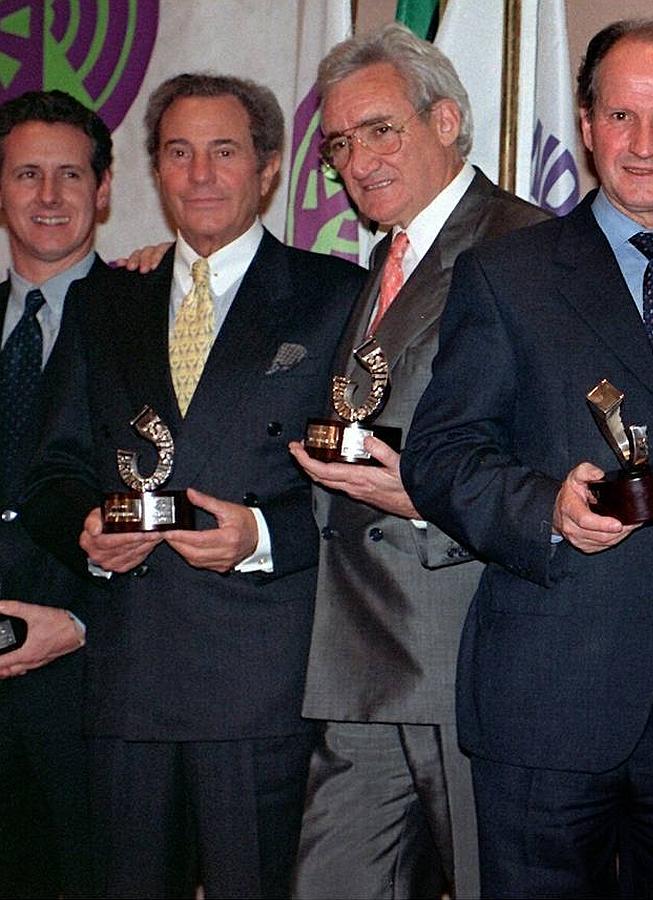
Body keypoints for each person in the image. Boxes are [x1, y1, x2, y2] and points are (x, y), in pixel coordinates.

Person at [401, 19, 653, 897]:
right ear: (585, 125)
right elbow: (439, 452)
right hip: (547, 695)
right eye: (620, 116)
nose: (642, 144)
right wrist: (544, 506)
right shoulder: (506, 275)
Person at [22, 73, 362, 897]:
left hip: (262, 688)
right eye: (179, 153)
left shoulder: (336, 297)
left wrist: (262, 534)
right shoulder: (108, 300)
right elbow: (53, 472)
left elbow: (363, 482)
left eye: (223, 152)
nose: (200, 175)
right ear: (156, 171)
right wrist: (88, 530)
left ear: (269, 169)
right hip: (126, 683)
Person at [288, 24, 546, 899]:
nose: (356, 160)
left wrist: (431, 496)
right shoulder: (379, 261)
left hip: (465, 650)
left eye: (379, 130)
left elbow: (554, 455)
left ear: (446, 120)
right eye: (338, 143)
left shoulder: (529, 246)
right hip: (356, 663)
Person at [0, 89, 126, 900]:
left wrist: (82, 621)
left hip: (89, 694)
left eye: (70, 175)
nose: (49, 197)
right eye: (26, 175)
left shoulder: (154, 320)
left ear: (104, 189)